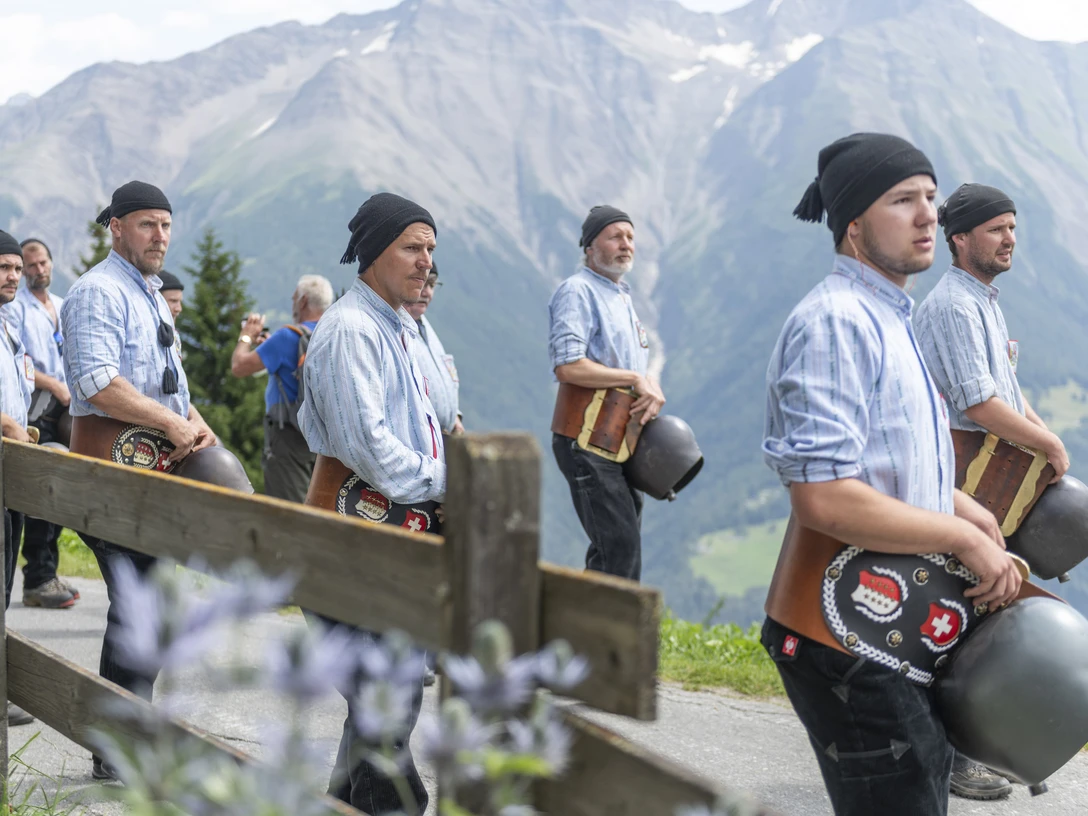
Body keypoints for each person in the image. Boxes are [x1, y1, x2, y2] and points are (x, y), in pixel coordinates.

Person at [760, 133, 1023, 816]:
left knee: (925, 785)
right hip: (840, 628)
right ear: (853, 224)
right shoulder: (836, 322)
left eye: (931, 198)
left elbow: (890, 461)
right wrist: (960, 539)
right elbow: (823, 496)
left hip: (884, 617)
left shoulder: (890, 316)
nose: (927, 214)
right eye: (902, 200)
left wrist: (968, 512)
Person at [915, 183, 1070, 800]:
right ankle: (952, 760)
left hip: (985, 482)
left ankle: (961, 748)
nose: (1009, 239)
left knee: (971, 610)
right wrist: (1049, 446)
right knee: (952, 612)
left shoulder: (982, 301)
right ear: (960, 239)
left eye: (1013, 228)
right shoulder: (954, 305)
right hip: (957, 479)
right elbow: (978, 404)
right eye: (996, 229)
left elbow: (1005, 388)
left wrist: (1038, 429)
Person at [60, 181, 217, 780]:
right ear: (117, 227)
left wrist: (199, 430)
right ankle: (118, 751)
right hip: (111, 473)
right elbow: (98, 382)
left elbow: (171, 385)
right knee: (137, 606)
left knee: (146, 605)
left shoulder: (148, 293)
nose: (161, 237)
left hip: (149, 469)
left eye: (167, 226)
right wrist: (170, 423)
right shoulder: (98, 291)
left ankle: (125, 741)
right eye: (148, 225)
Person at [299, 192, 443, 816]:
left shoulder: (408, 326)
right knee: (387, 710)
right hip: (352, 537)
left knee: (383, 707)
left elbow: (437, 419)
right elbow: (371, 450)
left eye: (431, 249)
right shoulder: (350, 329)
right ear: (372, 252)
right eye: (412, 247)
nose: (425, 262)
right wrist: (457, 485)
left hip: (395, 537)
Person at [548, 205, 663, 582]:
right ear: (589, 246)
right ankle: (600, 638)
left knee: (619, 546)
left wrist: (649, 384)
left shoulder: (621, 296)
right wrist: (634, 376)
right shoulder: (577, 291)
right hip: (585, 436)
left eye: (630, 237)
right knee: (618, 546)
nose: (626, 244)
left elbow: (628, 370)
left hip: (616, 437)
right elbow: (568, 366)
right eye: (615, 236)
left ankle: (602, 636)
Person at [5, 238, 78, 609]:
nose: (34, 271)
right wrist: (56, 386)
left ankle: (47, 572)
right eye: (25, 265)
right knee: (36, 498)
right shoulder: (15, 308)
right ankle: (38, 576)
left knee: (55, 494)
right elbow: (24, 360)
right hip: (34, 412)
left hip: (62, 413)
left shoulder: (61, 306)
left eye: (39, 263)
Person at [230, 275, 333, 502]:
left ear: (303, 301)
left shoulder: (287, 337)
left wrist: (246, 336)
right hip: (327, 439)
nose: (292, 301)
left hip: (288, 436)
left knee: (289, 511)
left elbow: (239, 367)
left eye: (294, 297)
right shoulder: (334, 334)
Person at [0, 231, 38, 727]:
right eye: (2, 267)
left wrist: (21, 424)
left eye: (14, 267)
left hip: (12, 462)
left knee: (3, 578)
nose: (11, 276)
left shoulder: (10, 324)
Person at [404, 263, 463, 434]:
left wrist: (455, 417)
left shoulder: (425, 326)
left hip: (444, 439)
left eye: (432, 284)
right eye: (422, 283)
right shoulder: (396, 330)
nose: (427, 292)